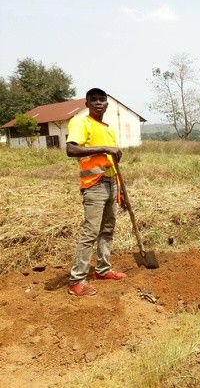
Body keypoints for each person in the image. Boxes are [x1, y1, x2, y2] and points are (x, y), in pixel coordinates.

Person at [66, 88, 126, 296]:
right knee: (90, 232)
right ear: (87, 103)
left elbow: (111, 162)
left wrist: (121, 192)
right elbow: (71, 149)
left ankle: (102, 270)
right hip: (94, 184)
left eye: (102, 99)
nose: (99, 103)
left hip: (111, 182)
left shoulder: (108, 129)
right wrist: (103, 149)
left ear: (107, 104)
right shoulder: (81, 122)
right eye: (94, 100)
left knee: (108, 229)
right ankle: (76, 281)